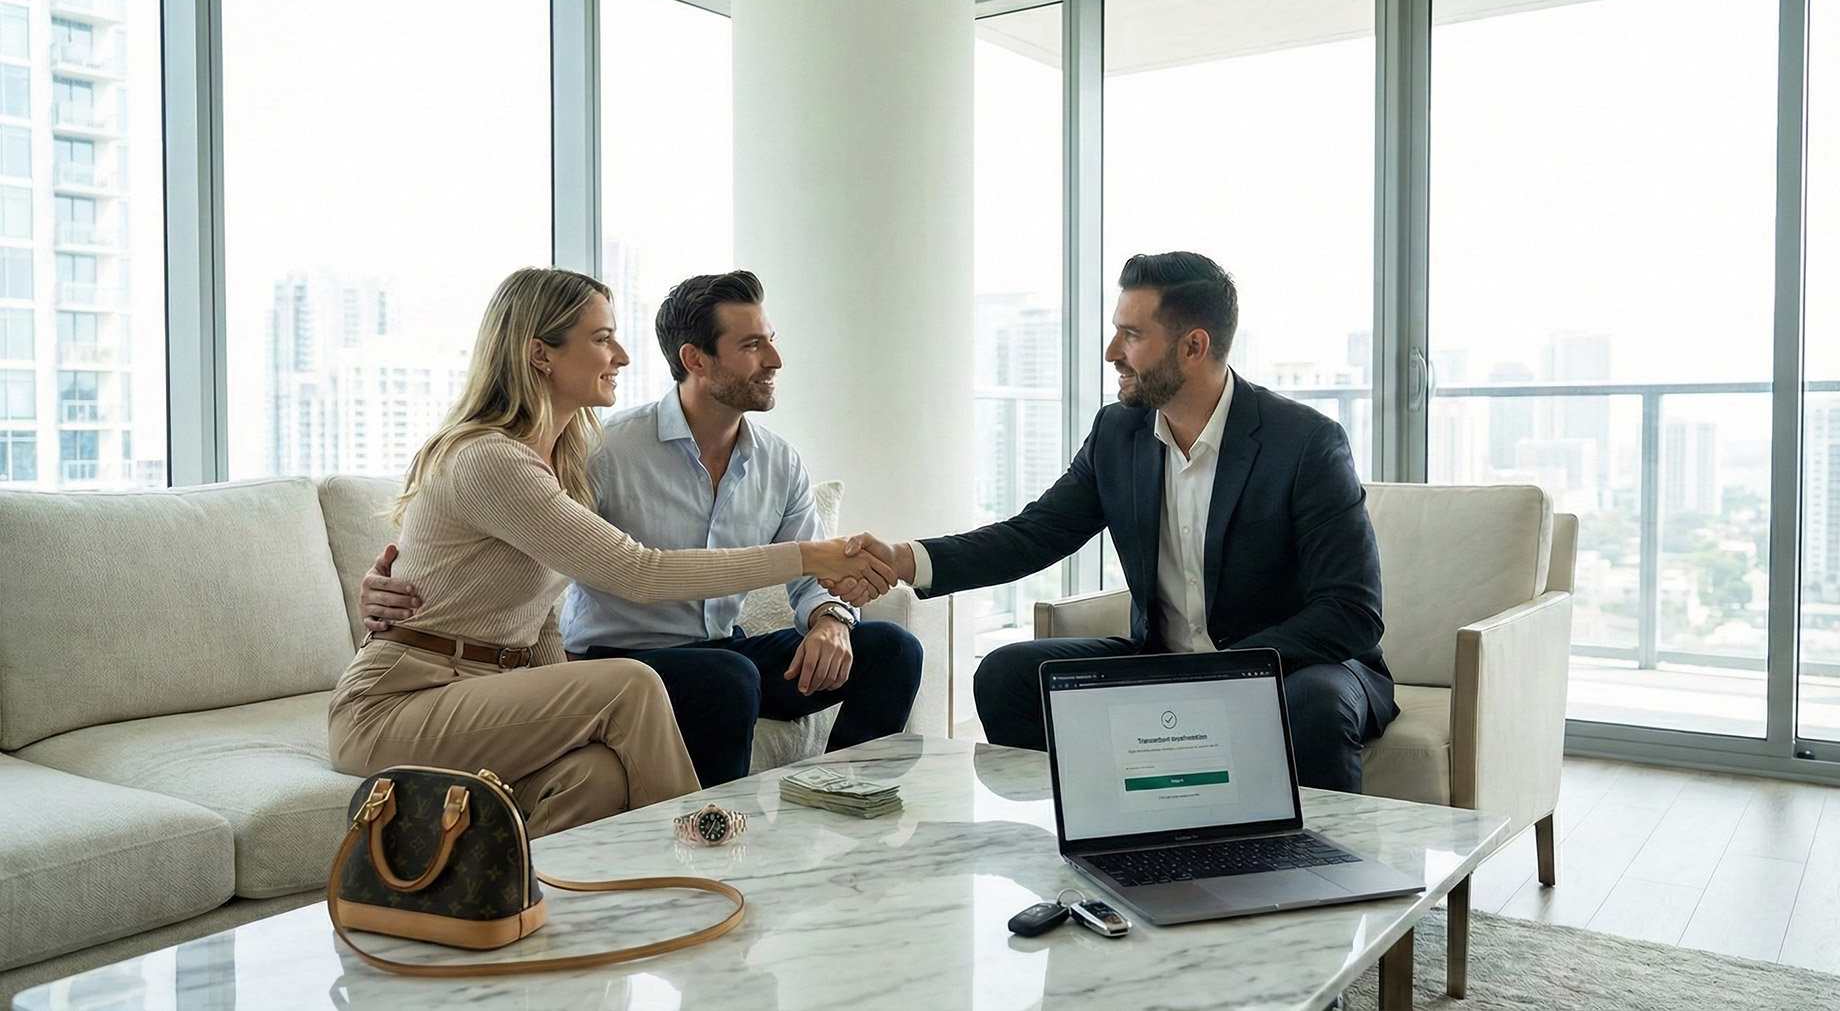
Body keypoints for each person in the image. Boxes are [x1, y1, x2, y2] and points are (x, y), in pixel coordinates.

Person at [328, 266, 896, 837]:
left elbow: (534, 616)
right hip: (397, 701)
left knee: (596, 775)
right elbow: (636, 573)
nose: (622, 355)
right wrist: (808, 555)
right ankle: (706, 857)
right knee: (634, 683)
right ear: (540, 354)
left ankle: (561, 910)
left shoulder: (564, 463)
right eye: (602, 339)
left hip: (487, 689)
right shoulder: (490, 459)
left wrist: (828, 612)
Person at [848, 251, 1396, 793]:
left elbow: (1350, 612)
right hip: (1162, 661)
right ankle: (1095, 838)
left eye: (1131, 335)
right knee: (1006, 675)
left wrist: (1224, 671)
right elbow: (1033, 534)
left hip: (1295, 669)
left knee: (1316, 705)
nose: (1113, 352)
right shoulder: (1119, 434)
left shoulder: (1304, 443)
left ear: (1193, 346)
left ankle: (1322, 870)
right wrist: (904, 560)